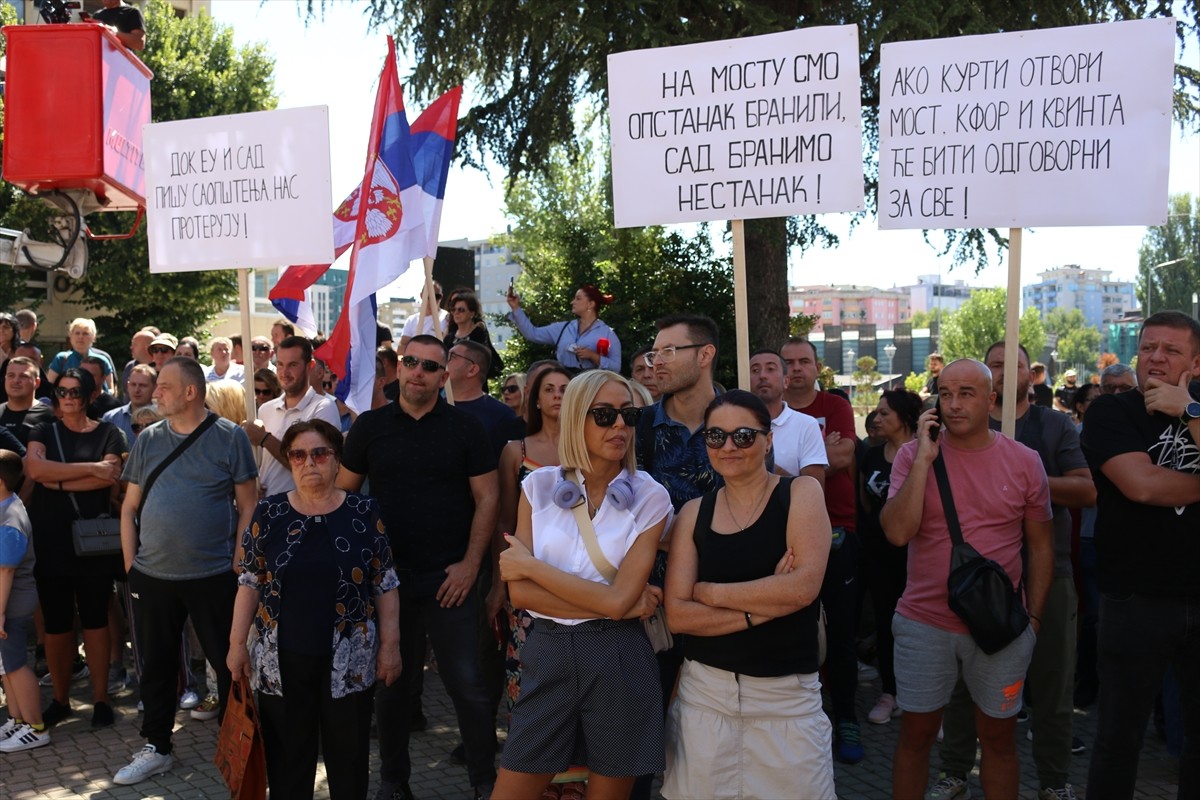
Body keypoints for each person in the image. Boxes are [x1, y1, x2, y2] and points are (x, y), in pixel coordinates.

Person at [880, 359, 1053, 799]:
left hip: (1000, 624)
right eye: (945, 393)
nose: (953, 404)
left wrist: (1032, 620)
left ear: (991, 399)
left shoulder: (1024, 461)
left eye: (967, 394)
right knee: (916, 737)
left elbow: (1040, 546)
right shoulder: (911, 455)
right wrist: (924, 459)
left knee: (997, 740)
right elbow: (898, 532)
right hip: (924, 621)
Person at [494, 369, 671, 799]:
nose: (620, 427)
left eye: (629, 415)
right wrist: (618, 603)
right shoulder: (536, 487)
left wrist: (534, 569)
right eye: (605, 414)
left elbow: (614, 602)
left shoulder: (650, 497)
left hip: (619, 656)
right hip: (548, 651)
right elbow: (520, 596)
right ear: (576, 418)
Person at [338, 335, 499, 800]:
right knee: (392, 686)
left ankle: (484, 783)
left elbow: (487, 498)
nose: (417, 372)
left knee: (467, 685)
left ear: (443, 376)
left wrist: (471, 565)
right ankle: (394, 783)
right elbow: (346, 498)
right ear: (399, 367)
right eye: (410, 361)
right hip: (386, 582)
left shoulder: (465, 428)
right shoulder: (370, 427)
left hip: (451, 579)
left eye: (430, 366)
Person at [934, 342, 1095, 800]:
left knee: (1051, 684)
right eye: (997, 364)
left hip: (1051, 568)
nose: (1006, 372)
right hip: (976, 577)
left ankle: (1054, 781)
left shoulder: (1054, 425)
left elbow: (1086, 490)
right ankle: (955, 772)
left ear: (1032, 375)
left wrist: (1020, 475)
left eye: (1016, 365)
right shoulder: (955, 431)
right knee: (965, 684)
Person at [662, 390, 834, 799]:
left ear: (768, 438)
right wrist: (763, 607)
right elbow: (679, 616)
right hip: (705, 700)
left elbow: (802, 589)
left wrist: (710, 593)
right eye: (715, 436)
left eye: (743, 435)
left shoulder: (801, 494)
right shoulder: (693, 514)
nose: (728, 447)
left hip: (786, 702)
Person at [228, 419, 401, 800]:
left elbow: (385, 583)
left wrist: (391, 646)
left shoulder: (364, 511)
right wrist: (236, 643)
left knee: (350, 755)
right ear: (289, 462)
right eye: (299, 455)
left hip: (351, 659)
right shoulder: (269, 513)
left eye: (320, 453)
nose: (310, 462)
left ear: (337, 460)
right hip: (281, 660)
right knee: (288, 757)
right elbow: (251, 581)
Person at [114, 357, 258, 785]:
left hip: (214, 575)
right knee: (155, 666)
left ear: (190, 392)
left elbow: (249, 505)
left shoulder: (230, 438)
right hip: (151, 578)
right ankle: (157, 746)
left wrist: (239, 560)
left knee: (230, 663)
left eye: (164, 386)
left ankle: (240, 744)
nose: (154, 392)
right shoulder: (149, 439)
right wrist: (130, 566)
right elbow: (129, 507)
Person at [1080, 311, 1200, 798]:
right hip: (1135, 599)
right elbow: (1143, 486)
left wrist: (1189, 410)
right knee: (1117, 738)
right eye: (1149, 346)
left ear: (1196, 360)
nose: (1156, 357)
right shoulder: (1112, 412)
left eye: (1171, 350)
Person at [24, 369, 124, 728]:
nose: (67, 398)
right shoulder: (42, 431)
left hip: (94, 542)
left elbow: (111, 475)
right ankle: (61, 700)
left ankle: (100, 700)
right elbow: (35, 471)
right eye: (61, 391)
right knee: (56, 624)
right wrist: (90, 471)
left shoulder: (110, 432)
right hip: (51, 540)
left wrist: (60, 477)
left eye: (75, 392)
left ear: (89, 395)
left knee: (97, 619)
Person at [779, 337, 863, 763]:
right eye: (787, 362)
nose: (795, 369)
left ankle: (847, 716)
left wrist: (785, 467)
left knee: (841, 631)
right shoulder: (765, 414)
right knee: (793, 628)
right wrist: (813, 457)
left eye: (803, 361)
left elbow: (845, 456)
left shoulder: (835, 405)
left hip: (836, 529)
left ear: (817, 367)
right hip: (780, 534)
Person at [496, 366, 571, 714]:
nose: (557, 395)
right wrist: (502, 582)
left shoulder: (587, 449)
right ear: (536, 400)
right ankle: (529, 754)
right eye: (550, 389)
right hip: (527, 577)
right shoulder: (515, 450)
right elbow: (506, 522)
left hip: (578, 573)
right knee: (529, 668)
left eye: (564, 389)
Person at [858, 389, 921, 727]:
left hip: (917, 555)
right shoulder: (870, 456)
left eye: (884, 413)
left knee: (921, 626)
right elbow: (865, 503)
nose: (877, 419)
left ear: (905, 417)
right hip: (878, 554)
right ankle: (890, 692)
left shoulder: (926, 455)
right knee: (886, 623)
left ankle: (923, 697)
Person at [242, 336, 340, 497]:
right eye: (280, 364)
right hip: (268, 509)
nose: (284, 372)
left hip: (304, 512)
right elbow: (262, 463)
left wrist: (264, 438)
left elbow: (317, 465)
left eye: (292, 365)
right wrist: (255, 484)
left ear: (311, 366)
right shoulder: (266, 409)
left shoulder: (323, 408)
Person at [0, 450, 49, 753]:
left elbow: (6, 569)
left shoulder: (10, 516)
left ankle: (35, 727)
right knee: (6, 665)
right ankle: (18, 719)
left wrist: (0, 612)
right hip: (5, 605)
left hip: (10, 605)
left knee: (16, 665)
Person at [748, 348, 826, 485]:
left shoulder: (806, 425)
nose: (762, 376)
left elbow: (814, 489)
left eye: (770, 369)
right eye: (755, 370)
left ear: (786, 381)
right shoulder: (733, 424)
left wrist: (764, 463)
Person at [507, 284, 622, 373]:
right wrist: (516, 308)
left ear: (590, 304)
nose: (572, 302)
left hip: (590, 388)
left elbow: (616, 368)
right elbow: (532, 334)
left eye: (578, 298)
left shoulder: (607, 333)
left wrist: (593, 356)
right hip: (564, 386)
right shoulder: (564, 328)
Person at [447, 340, 522, 459]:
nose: (444, 360)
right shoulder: (433, 406)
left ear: (472, 370)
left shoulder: (501, 416)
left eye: (452, 356)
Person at [46, 318, 116, 395]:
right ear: (71, 336)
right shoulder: (61, 359)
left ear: (93, 337)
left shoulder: (102, 360)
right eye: (77, 333)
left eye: (85, 333)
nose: (81, 337)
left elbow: (111, 390)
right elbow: (49, 387)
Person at [444, 293, 504, 381]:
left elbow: (482, 362)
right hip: (452, 387)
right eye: (453, 310)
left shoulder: (479, 334)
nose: (456, 313)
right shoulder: (449, 338)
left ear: (472, 313)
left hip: (475, 385)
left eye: (461, 310)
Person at [0, 357, 53, 448]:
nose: (16, 381)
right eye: (11, 375)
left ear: (37, 382)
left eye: (23, 376)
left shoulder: (50, 417)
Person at [102, 363, 156, 447]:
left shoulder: (164, 419)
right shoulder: (111, 418)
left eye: (143, 385)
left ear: (154, 387)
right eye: (133, 384)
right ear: (127, 386)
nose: (137, 390)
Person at [398, 282, 448, 350]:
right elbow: (403, 345)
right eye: (429, 295)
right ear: (421, 295)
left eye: (437, 296)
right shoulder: (411, 320)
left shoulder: (447, 318)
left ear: (441, 297)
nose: (432, 299)